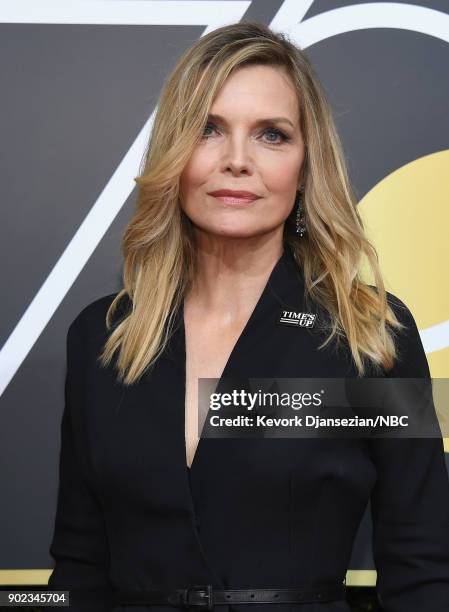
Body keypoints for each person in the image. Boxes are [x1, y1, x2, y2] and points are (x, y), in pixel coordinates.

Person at [46, 21, 449, 612]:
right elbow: (77, 572)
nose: (237, 161)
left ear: (307, 165)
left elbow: (423, 570)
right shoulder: (103, 339)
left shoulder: (369, 338)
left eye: (271, 135)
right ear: (174, 153)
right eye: (209, 129)